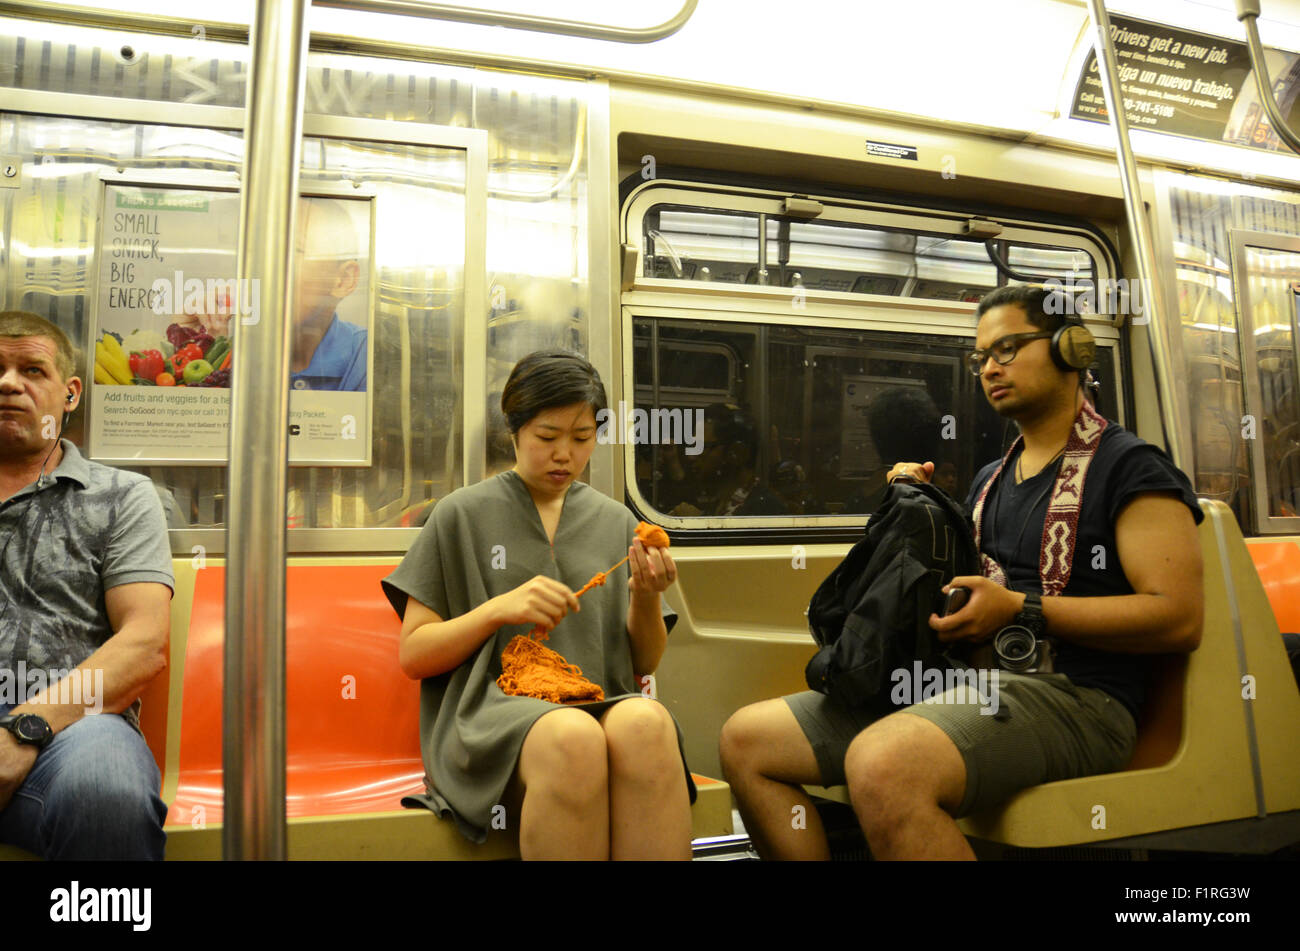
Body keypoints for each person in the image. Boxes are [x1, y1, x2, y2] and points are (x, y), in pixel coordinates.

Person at [719, 284, 1204, 860]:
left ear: (1070, 349)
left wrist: (1022, 609)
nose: (990, 368)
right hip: (970, 684)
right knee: (747, 741)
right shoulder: (988, 482)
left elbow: (1178, 618)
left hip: (1080, 698)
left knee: (883, 766)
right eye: (981, 358)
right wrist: (924, 507)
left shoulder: (1131, 469)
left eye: (1007, 349)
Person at [382, 349, 694, 860]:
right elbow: (415, 655)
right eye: (547, 437)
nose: (564, 455)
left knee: (648, 723)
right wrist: (498, 608)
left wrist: (647, 595)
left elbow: (642, 664)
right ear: (515, 431)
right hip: (489, 715)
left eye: (582, 439)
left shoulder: (617, 522)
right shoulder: (459, 515)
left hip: (600, 698)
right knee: (571, 737)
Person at [0, 311, 173, 860]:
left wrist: (25, 730)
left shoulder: (122, 496)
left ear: (70, 393)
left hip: (70, 735)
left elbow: (143, 644)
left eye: (32, 369)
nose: (8, 383)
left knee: (107, 790)